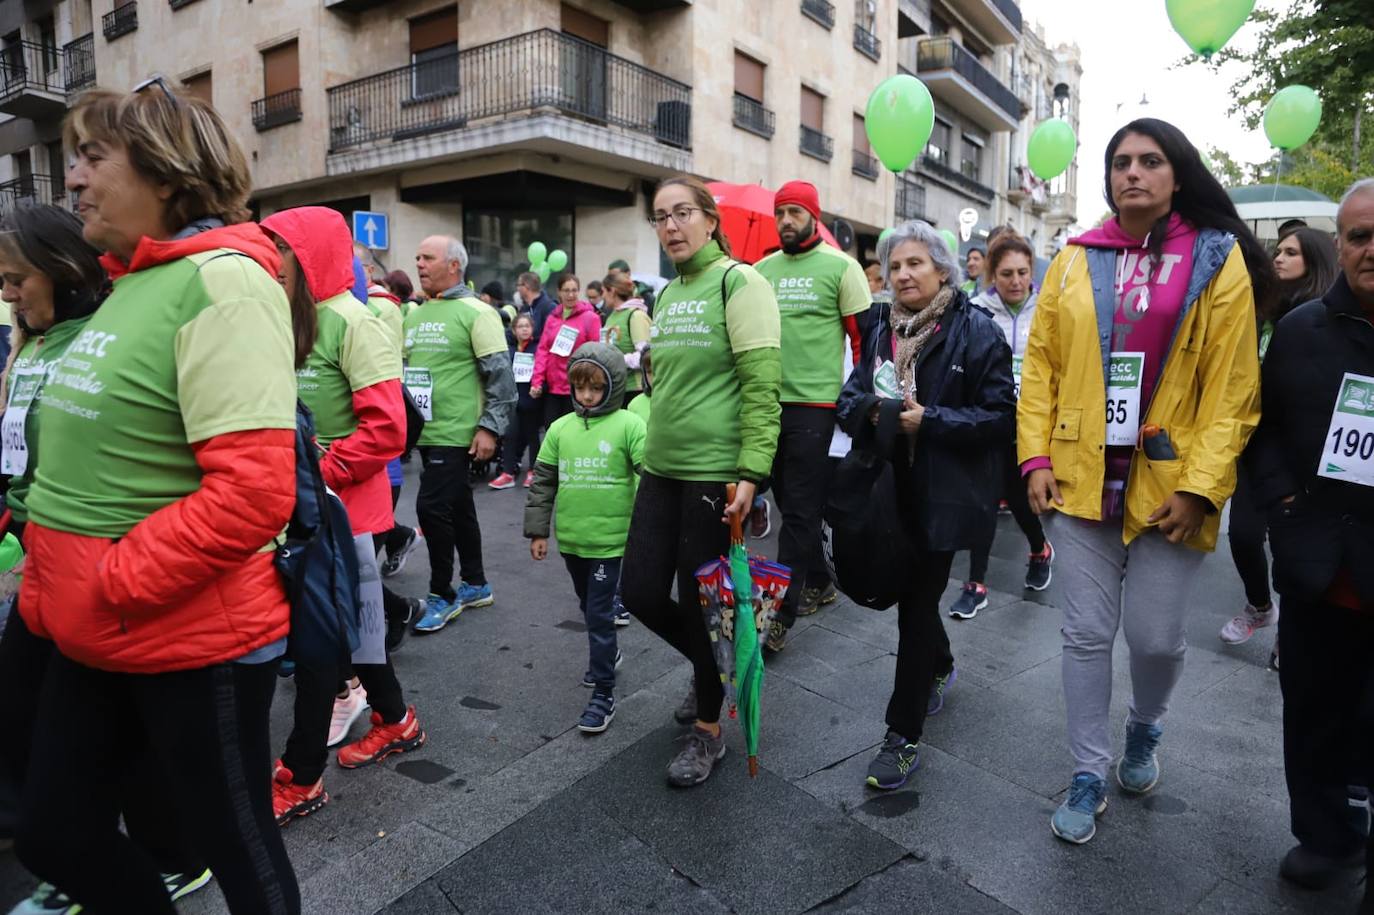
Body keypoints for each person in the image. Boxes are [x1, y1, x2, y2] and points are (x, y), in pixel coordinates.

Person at [13, 82, 300, 913]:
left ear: (169, 175)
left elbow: (252, 493)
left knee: (236, 848)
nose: (73, 179)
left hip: (184, 637)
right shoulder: (132, 282)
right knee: (53, 832)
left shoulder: (223, 283)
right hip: (92, 629)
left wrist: (111, 580)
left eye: (93, 157)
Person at [1019, 117, 1272, 845]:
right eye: (1121, 161)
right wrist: (1033, 457)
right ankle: (1089, 769)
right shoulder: (1074, 256)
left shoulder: (1215, 258)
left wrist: (1201, 487)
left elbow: (1233, 389)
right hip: (1080, 475)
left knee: (1156, 638)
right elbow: (1041, 368)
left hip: (1170, 484)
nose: (1133, 172)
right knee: (1084, 633)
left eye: (1150, 161)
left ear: (1177, 173)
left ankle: (1146, 725)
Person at [0, 204, 214, 913]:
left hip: (105, 568)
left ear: (60, 272)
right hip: (43, 556)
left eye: (14, 278)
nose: (5, 293)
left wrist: (124, 566)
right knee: (58, 722)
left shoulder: (99, 336)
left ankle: (109, 853)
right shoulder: (27, 344)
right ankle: (94, 846)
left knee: (87, 731)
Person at [260, 206, 426, 825]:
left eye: (279, 248)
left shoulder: (355, 323)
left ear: (307, 256)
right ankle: (398, 720)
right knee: (354, 627)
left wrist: (313, 477)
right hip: (304, 507)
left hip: (344, 506)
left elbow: (387, 428)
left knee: (320, 644)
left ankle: (301, 777)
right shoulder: (285, 317)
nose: (269, 260)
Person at [836, 219, 1014, 790]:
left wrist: (928, 421)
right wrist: (871, 413)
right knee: (904, 596)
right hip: (884, 488)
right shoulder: (878, 329)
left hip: (942, 495)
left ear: (943, 270)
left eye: (915, 263)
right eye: (894, 266)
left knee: (915, 609)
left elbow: (1000, 418)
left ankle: (902, 737)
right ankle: (940, 664)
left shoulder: (978, 332)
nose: (903, 274)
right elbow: (848, 399)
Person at [620, 175, 780, 787]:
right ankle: (710, 664)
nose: (671, 227)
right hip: (661, 468)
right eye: (661, 217)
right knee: (637, 591)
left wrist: (751, 474)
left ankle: (709, 733)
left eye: (682, 213)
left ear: (709, 221)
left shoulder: (740, 283)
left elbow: (764, 390)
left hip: (714, 475)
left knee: (702, 602)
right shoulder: (667, 294)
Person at [1245, 179, 1374, 899]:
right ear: (1342, 245)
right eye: (1358, 236)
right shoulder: (1300, 332)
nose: (1370, 249)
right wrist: (1284, 508)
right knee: (1315, 714)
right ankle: (1326, 839)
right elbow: (1262, 435)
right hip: (1319, 566)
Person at [754, 180, 870, 650]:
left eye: (795, 212)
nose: (786, 221)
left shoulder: (843, 267)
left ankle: (780, 614)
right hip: (766, 405)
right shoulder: (759, 270)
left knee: (799, 511)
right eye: (780, 212)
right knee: (788, 502)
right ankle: (820, 581)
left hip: (816, 409)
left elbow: (864, 344)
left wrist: (853, 401)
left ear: (813, 217)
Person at [1219, 225, 1339, 650]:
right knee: (1243, 536)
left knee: (1296, 552)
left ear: (1316, 260)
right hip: (1256, 446)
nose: (1279, 257)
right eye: (1279, 250)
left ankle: (1291, 635)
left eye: (1291, 252)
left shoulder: (1325, 319)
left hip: (1306, 457)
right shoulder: (1260, 312)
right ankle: (1259, 606)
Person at [524, 342, 646, 733]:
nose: (588, 397)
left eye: (595, 388)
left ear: (612, 387)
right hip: (573, 541)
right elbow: (542, 483)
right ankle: (608, 654)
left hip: (611, 542)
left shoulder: (629, 425)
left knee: (597, 613)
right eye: (581, 389)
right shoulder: (560, 429)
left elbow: (650, 474)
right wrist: (538, 531)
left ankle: (603, 692)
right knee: (589, 606)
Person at [407, 235, 516, 633]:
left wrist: (490, 428)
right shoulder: (414, 313)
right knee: (458, 506)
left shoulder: (476, 312)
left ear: (454, 265)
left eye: (428, 257)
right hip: (424, 432)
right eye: (417, 256)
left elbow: (501, 377)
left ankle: (443, 593)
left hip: (458, 433)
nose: (419, 263)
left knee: (431, 509)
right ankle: (476, 583)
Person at [948, 232, 1054, 619]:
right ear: (993, 273)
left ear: (1031, 272)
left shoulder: (1048, 309)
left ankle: (1040, 548)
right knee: (984, 499)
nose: (1015, 280)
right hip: (987, 418)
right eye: (1006, 273)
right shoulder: (975, 309)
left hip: (1030, 424)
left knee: (1019, 497)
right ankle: (976, 584)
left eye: (1022, 272)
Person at [530, 273, 602, 427]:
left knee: (574, 430)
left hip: (578, 387)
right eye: (566, 290)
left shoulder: (591, 318)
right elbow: (543, 351)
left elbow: (596, 354)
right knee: (552, 430)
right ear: (559, 292)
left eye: (574, 290)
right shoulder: (552, 318)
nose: (571, 294)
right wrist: (537, 381)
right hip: (553, 388)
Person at [490, 313, 541, 491]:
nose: (524, 329)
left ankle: (534, 471)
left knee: (533, 437)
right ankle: (508, 473)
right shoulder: (508, 349)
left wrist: (538, 386)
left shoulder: (537, 348)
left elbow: (542, 370)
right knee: (510, 436)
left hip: (532, 399)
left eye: (527, 326)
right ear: (514, 330)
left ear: (532, 329)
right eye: (520, 326)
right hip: (513, 400)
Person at [598, 272, 652, 403]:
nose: (603, 296)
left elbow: (647, 356)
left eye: (604, 291)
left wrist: (617, 359)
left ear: (613, 291)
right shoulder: (611, 316)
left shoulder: (636, 316)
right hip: (616, 388)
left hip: (635, 389)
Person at [516, 270, 557, 344]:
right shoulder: (524, 309)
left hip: (541, 354)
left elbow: (551, 336)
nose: (517, 288)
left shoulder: (549, 307)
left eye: (519, 285)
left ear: (527, 286)